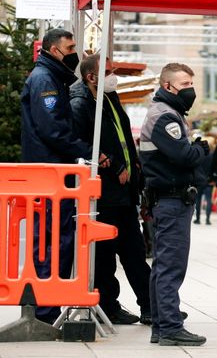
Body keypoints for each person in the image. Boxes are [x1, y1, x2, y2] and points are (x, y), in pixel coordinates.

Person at [20, 28, 110, 323]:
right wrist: (85, 150)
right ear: (54, 50)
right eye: (70, 47)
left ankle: (48, 307)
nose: (74, 51)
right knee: (51, 239)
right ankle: (45, 310)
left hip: (54, 171)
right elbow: (53, 129)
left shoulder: (53, 77)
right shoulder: (45, 79)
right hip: (50, 173)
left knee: (55, 238)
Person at [70, 54, 151, 325]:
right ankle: (110, 305)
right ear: (90, 77)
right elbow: (81, 144)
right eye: (107, 71)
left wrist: (134, 167)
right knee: (106, 255)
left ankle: (151, 306)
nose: (112, 75)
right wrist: (111, 164)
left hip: (124, 191)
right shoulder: (81, 103)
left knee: (134, 251)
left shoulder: (108, 99)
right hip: (103, 192)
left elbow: (122, 137)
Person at [140, 63, 208, 346]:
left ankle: (160, 325)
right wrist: (200, 151)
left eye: (192, 82)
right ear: (168, 86)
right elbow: (183, 155)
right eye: (184, 84)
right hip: (171, 199)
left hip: (167, 198)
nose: (190, 89)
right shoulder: (165, 117)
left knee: (162, 265)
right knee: (171, 265)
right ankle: (169, 326)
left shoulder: (169, 113)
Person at [194, 139, 216, 225]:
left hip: (199, 180)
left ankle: (198, 218)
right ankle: (207, 219)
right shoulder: (212, 156)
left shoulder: (200, 155)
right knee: (208, 200)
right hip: (209, 180)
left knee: (198, 200)